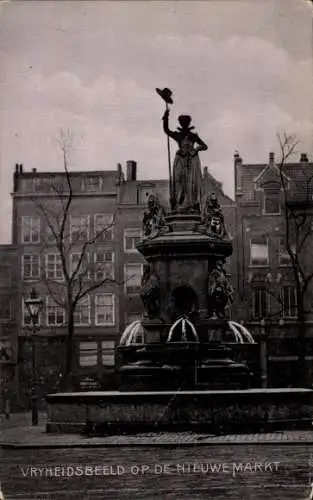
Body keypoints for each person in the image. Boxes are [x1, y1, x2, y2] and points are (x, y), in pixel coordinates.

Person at [162, 108, 208, 211]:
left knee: (191, 183)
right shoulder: (178, 135)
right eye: (182, 122)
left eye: (185, 122)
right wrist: (166, 117)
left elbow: (205, 146)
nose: (183, 124)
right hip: (180, 160)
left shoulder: (193, 136)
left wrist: (196, 149)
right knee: (179, 180)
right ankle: (179, 202)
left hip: (191, 161)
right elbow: (166, 130)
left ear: (187, 123)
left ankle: (191, 204)